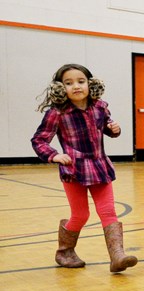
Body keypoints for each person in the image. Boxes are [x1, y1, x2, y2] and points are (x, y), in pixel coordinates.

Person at [31, 64, 138, 273]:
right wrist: (54, 155)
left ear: (90, 83)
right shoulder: (57, 113)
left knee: (108, 211)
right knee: (81, 215)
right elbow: (39, 140)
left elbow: (106, 127)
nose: (76, 86)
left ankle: (118, 256)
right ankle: (64, 251)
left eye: (81, 81)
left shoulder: (100, 107)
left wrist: (113, 129)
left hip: (100, 167)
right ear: (61, 88)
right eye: (69, 83)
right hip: (74, 170)